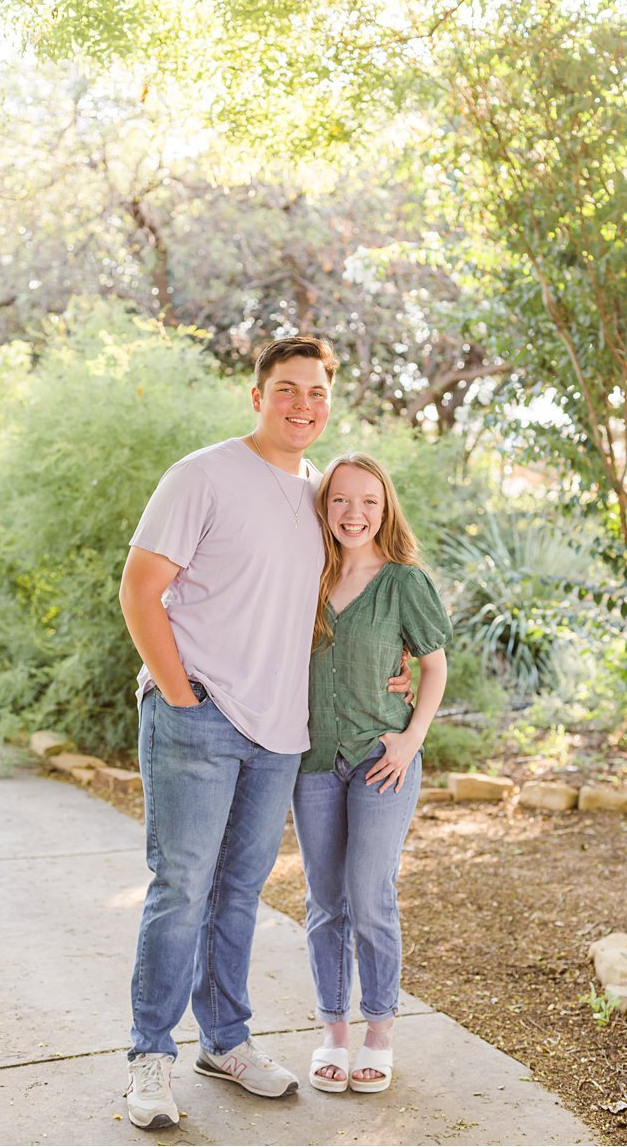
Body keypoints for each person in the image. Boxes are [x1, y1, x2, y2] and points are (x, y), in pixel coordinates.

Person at [116, 336, 411, 1131]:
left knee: (240, 894)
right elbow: (140, 590)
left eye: (316, 393)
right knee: (181, 889)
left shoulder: (322, 496)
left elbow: (351, 595)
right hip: (199, 715)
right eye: (288, 390)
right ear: (258, 396)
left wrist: (393, 668)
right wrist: (181, 696)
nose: (303, 406)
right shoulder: (201, 475)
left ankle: (226, 1042)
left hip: (283, 734)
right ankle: (150, 1056)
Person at [295, 453, 449, 1095]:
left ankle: (379, 1031)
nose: (353, 514)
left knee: (369, 892)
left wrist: (412, 740)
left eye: (368, 502)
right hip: (311, 759)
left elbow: (434, 666)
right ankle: (334, 1030)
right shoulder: (303, 574)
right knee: (325, 900)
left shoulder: (404, 582)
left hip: (381, 761)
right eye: (339, 501)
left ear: (385, 510)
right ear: (323, 507)